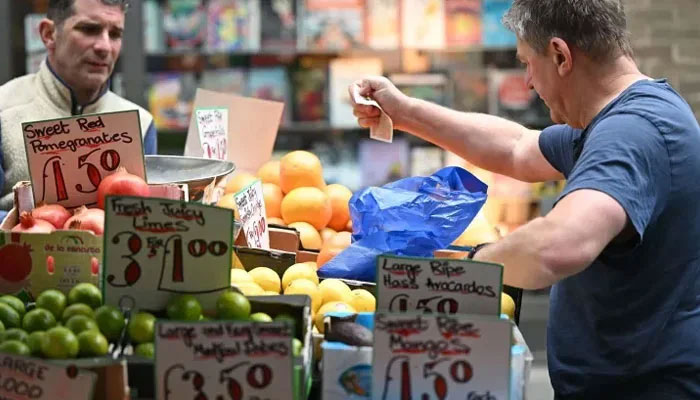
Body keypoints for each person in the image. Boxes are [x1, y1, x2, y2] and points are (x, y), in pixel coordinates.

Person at [349, 0, 700, 399]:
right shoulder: (619, 120)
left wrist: (459, 270)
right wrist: (404, 111)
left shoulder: (631, 134)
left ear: (560, 55)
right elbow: (516, 148)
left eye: (527, 63)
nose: (529, 82)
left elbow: (558, 245)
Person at [0, 0, 157, 215]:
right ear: (49, 34)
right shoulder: (4, 109)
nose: (104, 46)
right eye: (89, 29)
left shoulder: (142, 123)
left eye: (115, 34)